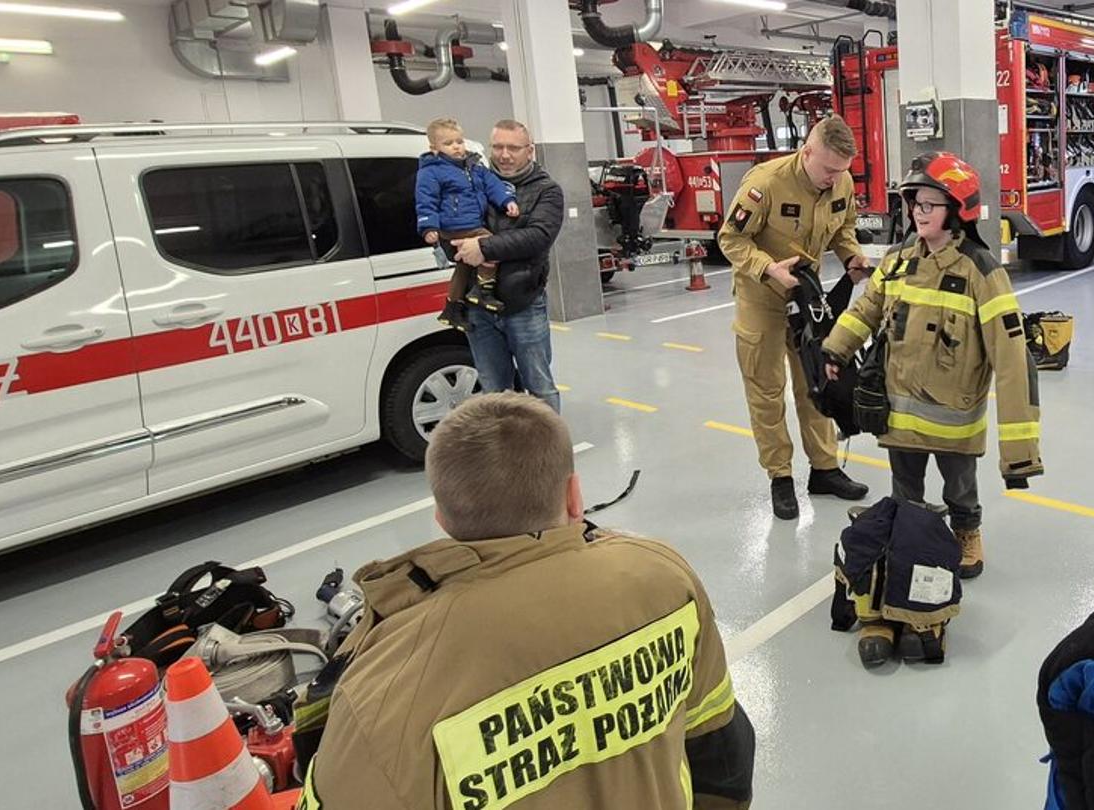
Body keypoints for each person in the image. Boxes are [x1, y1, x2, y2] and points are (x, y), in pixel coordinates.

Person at [299, 393, 756, 810]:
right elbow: (722, 758)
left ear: (442, 517)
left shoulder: (379, 691)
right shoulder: (663, 578)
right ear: (575, 496)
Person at [820, 151, 1044, 661]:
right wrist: (835, 348)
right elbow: (867, 308)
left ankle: (968, 533)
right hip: (899, 414)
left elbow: (1012, 360)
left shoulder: (981, 272)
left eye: (932, 204)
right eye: (915, 203)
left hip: (954, 418)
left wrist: (1020, 450)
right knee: (905, 492)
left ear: (957, 208)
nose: (920, 213)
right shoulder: (899, 261)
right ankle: (910, 543)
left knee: (960, 487)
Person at [719, 116, 873, 520]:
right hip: (763, 299)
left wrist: (851, 256)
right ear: (806, 152)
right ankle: (780, 477)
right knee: (767, 390)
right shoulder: (765, 183)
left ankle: (824, 469)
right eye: (827, 169)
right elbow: (730, 238)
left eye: (842, 171)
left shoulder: (841, 182)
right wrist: (768, 269)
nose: (834, 179)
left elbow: (845, 228)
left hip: (807, 299)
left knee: (817, 383)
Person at [451, 120, 565, 411]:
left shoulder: (546, 190)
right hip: (478, 305)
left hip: (523, 303)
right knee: (494, 390)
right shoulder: (474, 183)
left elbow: (538, 237)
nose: (504, 154)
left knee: (539, 386)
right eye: (498, 147)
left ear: (530, 150)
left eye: (513, 148)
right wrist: (455, 246)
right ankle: (507, 452)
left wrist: (483, 248)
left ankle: (548, 451)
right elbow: (453, 222)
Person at [418, 117, 519, 331]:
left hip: (470, 221)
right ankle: (482, 291)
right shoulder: (432, 171)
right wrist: (428, 227)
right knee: (492, 245)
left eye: (459, 141)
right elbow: (426, 200)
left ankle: (452, 308)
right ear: (434, 148)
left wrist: (507, 200)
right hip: (457, 225)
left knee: (463, 268)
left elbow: (493, 184)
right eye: (448, 143)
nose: (456, 146)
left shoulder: (473, 166)